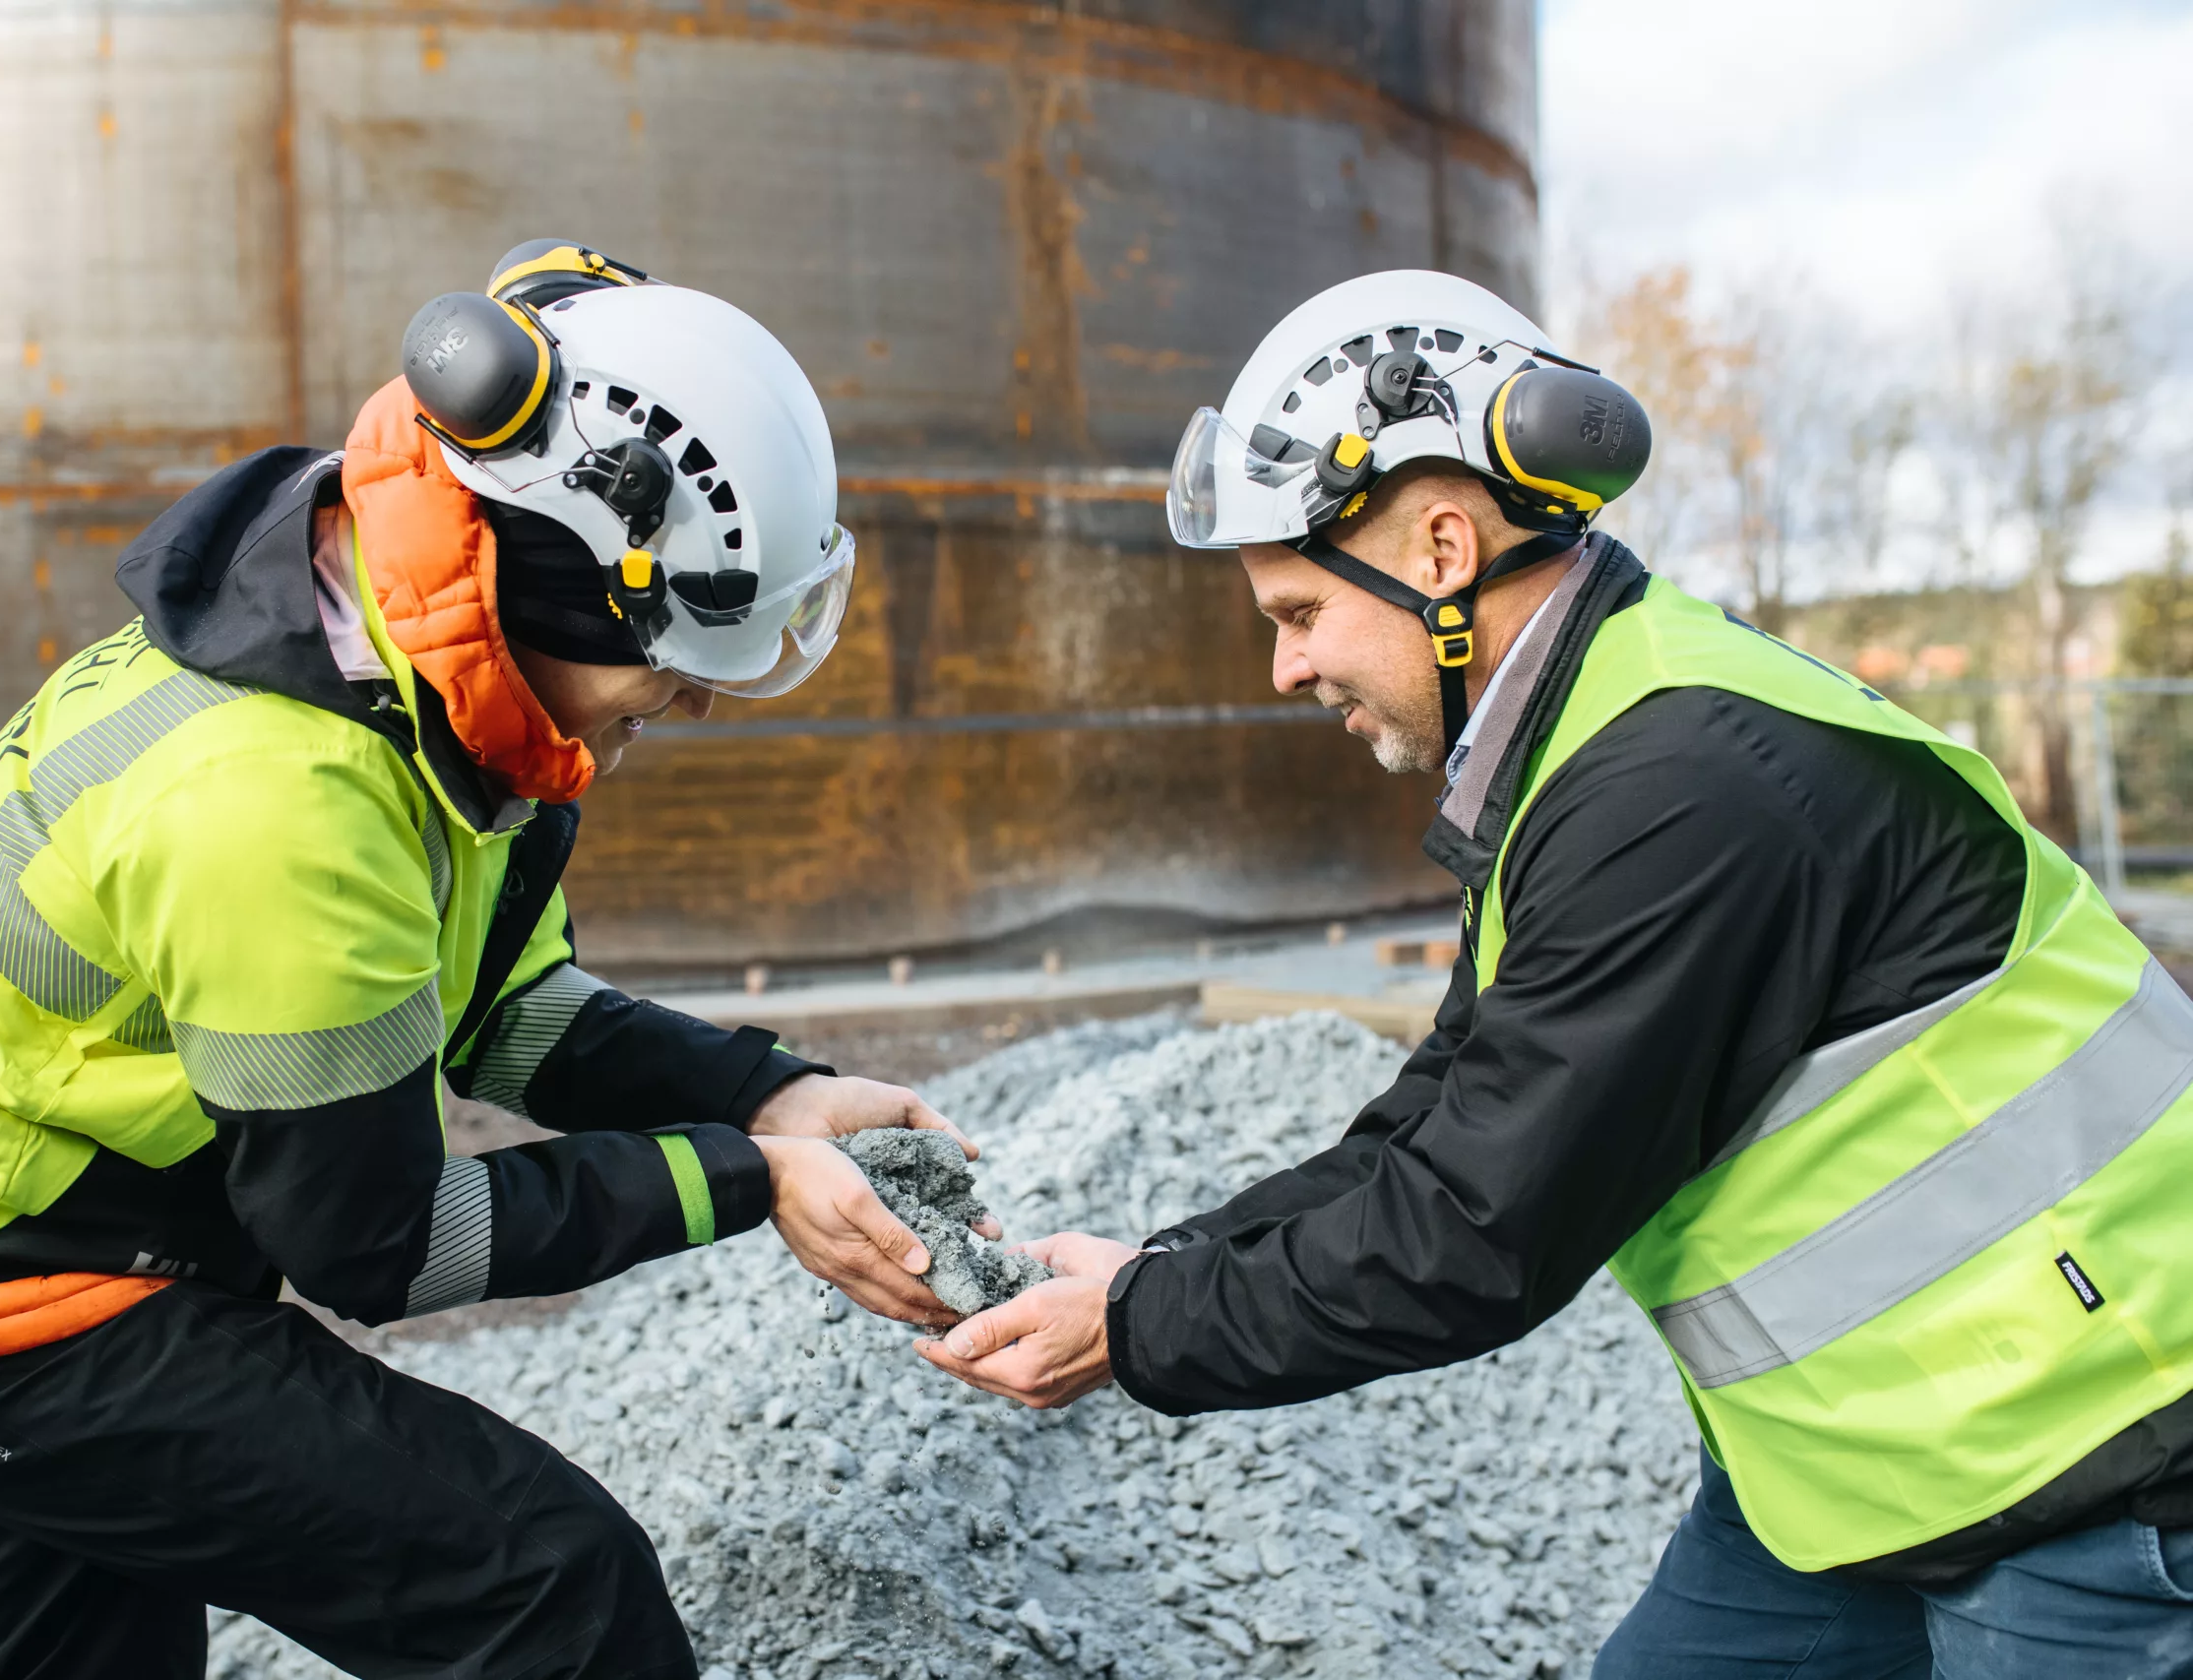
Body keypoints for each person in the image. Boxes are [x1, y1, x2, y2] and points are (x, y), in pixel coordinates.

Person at [0, 241, 973, 1680]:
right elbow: (381, 1241)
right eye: (679, 659)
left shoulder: (416, 656)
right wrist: (746, 1182)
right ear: (565, 576)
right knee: (545, 1591)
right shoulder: (285, 801)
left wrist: (771, 1094)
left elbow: (505, 1014)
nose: (688, 701)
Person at [915, 269, 2193, 1676]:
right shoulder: (1593, 739)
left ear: (1444, 549)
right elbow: (1445, 1110)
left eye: (1295, 613)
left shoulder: (1686, 781)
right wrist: (1166, 1264)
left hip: (2092, 1465)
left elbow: (1475, 1227)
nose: (1286, 669)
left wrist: (1137, 1329)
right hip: (1866, 1469)